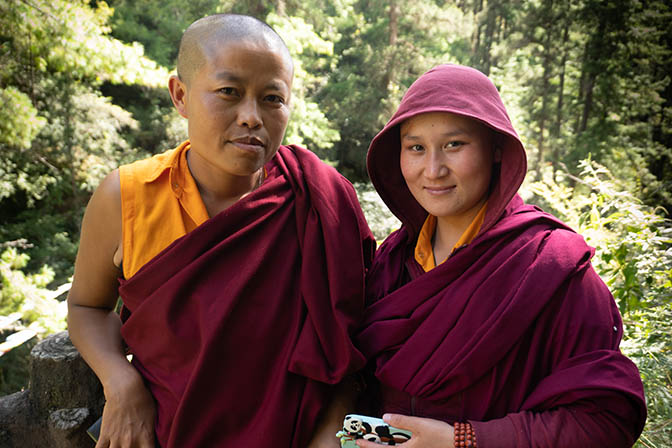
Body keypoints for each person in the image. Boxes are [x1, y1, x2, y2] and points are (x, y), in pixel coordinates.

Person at [67, 13, 375, 448]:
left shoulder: (320, 199)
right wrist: (121, 383)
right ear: (181, 95)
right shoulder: (128, 197)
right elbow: (86, 306)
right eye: (229, 92)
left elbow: (353, 341)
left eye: (272, 98)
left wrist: (331, 432)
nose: (251, 117)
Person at [355, 64, 647, 447]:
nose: (433, 169)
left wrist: (466, 440)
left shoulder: (550, 267)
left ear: (496, 149)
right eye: (416, 148)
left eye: (454, 144)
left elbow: (605, 422)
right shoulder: (391, 262)